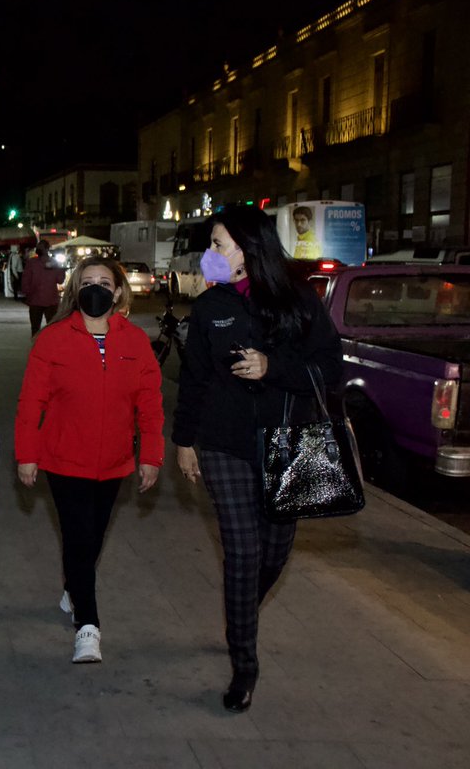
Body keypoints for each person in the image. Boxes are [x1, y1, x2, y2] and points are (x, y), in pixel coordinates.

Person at [172, 206, 341, 712]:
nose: (211, 254)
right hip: (224, 444)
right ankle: (244, 665)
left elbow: (328, 365)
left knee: (275, 552)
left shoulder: (297, 299)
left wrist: (273, 366)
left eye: (218, 244)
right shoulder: (209, 308)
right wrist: (183, 441)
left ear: (247, 250)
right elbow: (195, 380)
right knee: (242, 553)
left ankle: (240, 609)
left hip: (291, 442)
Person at [15, 256, 163, 665]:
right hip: (63, 460)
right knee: (80, 538)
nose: (95, 288)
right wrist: (26, 454)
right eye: (87, 281)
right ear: (75, 290)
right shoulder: (53, 339)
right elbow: (31, 402)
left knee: (92, 539)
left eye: (104, 282)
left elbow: (150, 404)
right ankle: (88, 625)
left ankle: (73, 586)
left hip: (115, 462)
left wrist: (151, 454)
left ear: (117, 291)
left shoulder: (134, 341)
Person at [21, 240, 65, 335]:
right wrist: (61, 269)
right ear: (48, 249)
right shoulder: (54, 262)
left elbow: (25, 280)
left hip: (36, 300)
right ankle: (49, 347)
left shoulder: (32, 262)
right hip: (51, 300)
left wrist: (27, 294)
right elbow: (60, 280)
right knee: (52, 328)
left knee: (35, 328)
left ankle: (37, 346)